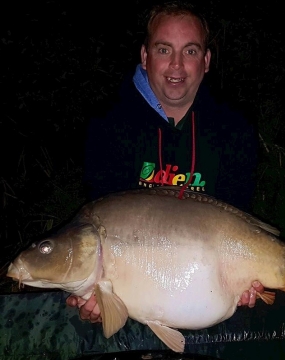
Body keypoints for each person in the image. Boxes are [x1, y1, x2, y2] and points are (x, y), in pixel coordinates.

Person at [66, 1, 265, 324]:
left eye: (189, 51)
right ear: (145, 57)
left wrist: (245, 281)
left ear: (206, 60)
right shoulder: (107, 126)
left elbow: (236, 221)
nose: (176, 66)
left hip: (207, 290)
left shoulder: (234, 128)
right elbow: (103, 228)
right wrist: (97, 299)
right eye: (163, 50)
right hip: (138, 290)